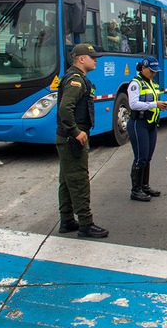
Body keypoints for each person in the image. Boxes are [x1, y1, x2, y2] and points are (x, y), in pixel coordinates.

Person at [56, 44, 109, 238]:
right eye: (92, 57)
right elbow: (64, 110)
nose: (95, 60)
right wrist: (76, 131)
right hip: (72, 140)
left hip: (67, 138)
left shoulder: (77, 79)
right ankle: (86, 224)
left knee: (67, 180)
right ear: (80, 59)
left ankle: (67, 220)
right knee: (78, 181)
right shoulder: (76, 81)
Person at [127, 56, 167, 202]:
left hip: (151, 124)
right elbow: (133, 104)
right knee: (141, 157)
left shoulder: (152, 83)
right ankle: (136, 190)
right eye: (151, 71)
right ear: (143, 68)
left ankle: (144, 186)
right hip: (138, 123)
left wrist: (161, 104)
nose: (154, 74)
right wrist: (154, 104)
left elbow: (152, 100)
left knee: (148, 157)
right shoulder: (135, 83)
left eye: (155, 71)